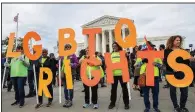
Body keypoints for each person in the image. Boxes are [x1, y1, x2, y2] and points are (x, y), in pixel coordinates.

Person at [164, 35, 195, 112]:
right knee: (173, 91)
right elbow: (166, 62)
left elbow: (185, 62)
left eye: (179, 40)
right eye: (177, 40)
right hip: (171, 73)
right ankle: (176, 106)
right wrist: (172, 68)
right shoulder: (167, 51)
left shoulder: (183, 50)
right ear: (172, 41)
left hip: (182, 73)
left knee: (184, 92)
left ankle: (182, 106)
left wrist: (190, 60)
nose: (178, 41)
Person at [140, 41, 162, 112]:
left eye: (152, 46)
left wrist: (155, 63)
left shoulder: (156, 55)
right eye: (149, 47)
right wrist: (142, 61)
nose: (151, 48)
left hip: (154, 77)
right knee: (146, 94)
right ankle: (147, 107)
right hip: (145, 77)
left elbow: (161, 66)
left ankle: (155, 107)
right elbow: (136, 65)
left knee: (155, 93)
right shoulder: (141, 55)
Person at [108, 42, 130, 110]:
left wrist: (127, 56)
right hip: (114, 75)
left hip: (122, 74)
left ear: (118, 46)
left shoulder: (122, 53)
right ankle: (112, 103)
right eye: (113, 46)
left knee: (124, 89)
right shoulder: (111, 54)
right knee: (113, 90)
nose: (114, 47)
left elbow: (127, 62)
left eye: (115, 46)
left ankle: (126, 103)